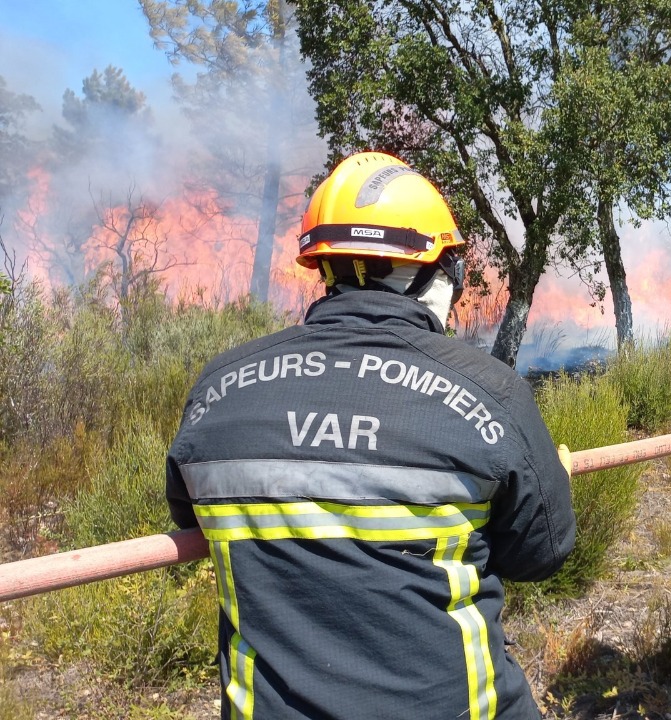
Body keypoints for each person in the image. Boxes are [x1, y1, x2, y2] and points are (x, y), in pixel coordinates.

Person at [166, 151, 576, 720]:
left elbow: (194, 522)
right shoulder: (489, 393)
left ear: (323, 267)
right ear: (432, 270)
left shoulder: (218, 390)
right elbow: (541, 553)